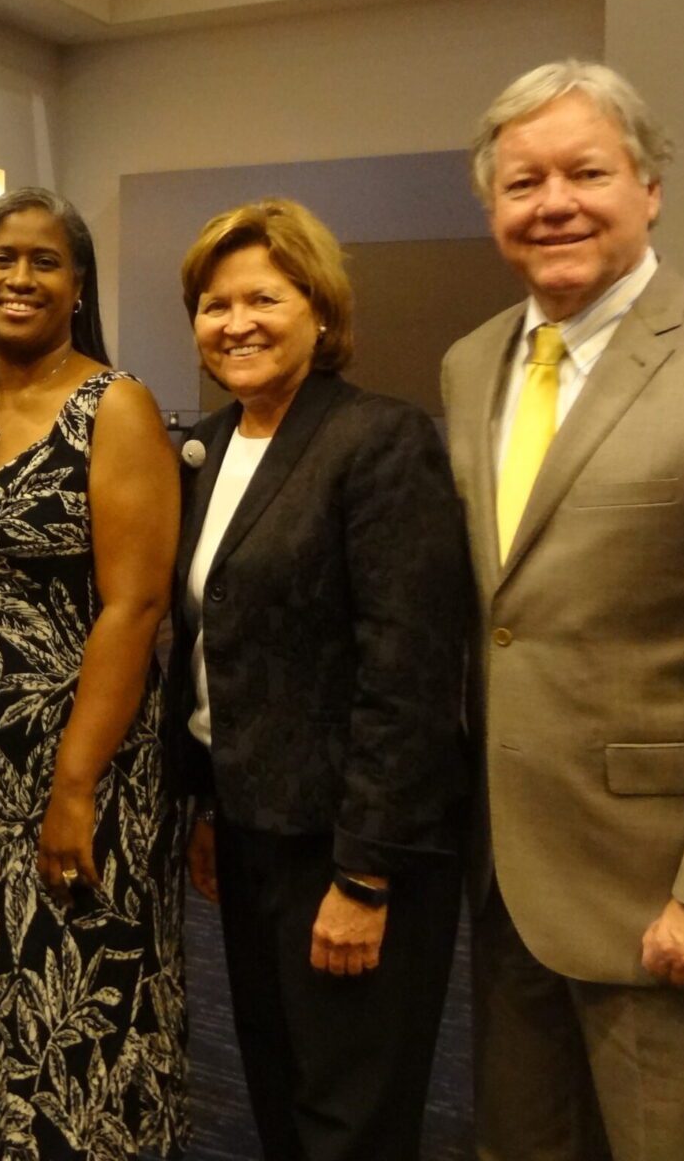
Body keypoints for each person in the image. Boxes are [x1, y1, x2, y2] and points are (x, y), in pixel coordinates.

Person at [443, 60, 684, 1161]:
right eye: (523, 183)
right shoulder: (469, 365)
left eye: (587, 173)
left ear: (649, 187)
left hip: (670, 898)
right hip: (509, 883)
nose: (553, 203)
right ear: (493, 208)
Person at [171, 198, 471, 1161]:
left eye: (264, 298)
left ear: (321, 311)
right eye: (215, 304)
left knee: (350, 1117)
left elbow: (410, 674)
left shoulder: (379, 441)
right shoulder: (208, 448)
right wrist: (210, 806)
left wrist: (364, 874)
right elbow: (218, 646)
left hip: (348, 843)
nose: (237, 323)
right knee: (278, 1084)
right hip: (250, 825)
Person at [0, 186, 187, 1160]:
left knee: (79, 1010)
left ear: (79, 287)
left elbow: (135, 606)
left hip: (87, 762)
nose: (20, 278)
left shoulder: (113, 405)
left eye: (45, 261)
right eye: (2, 259)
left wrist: (74, 785)